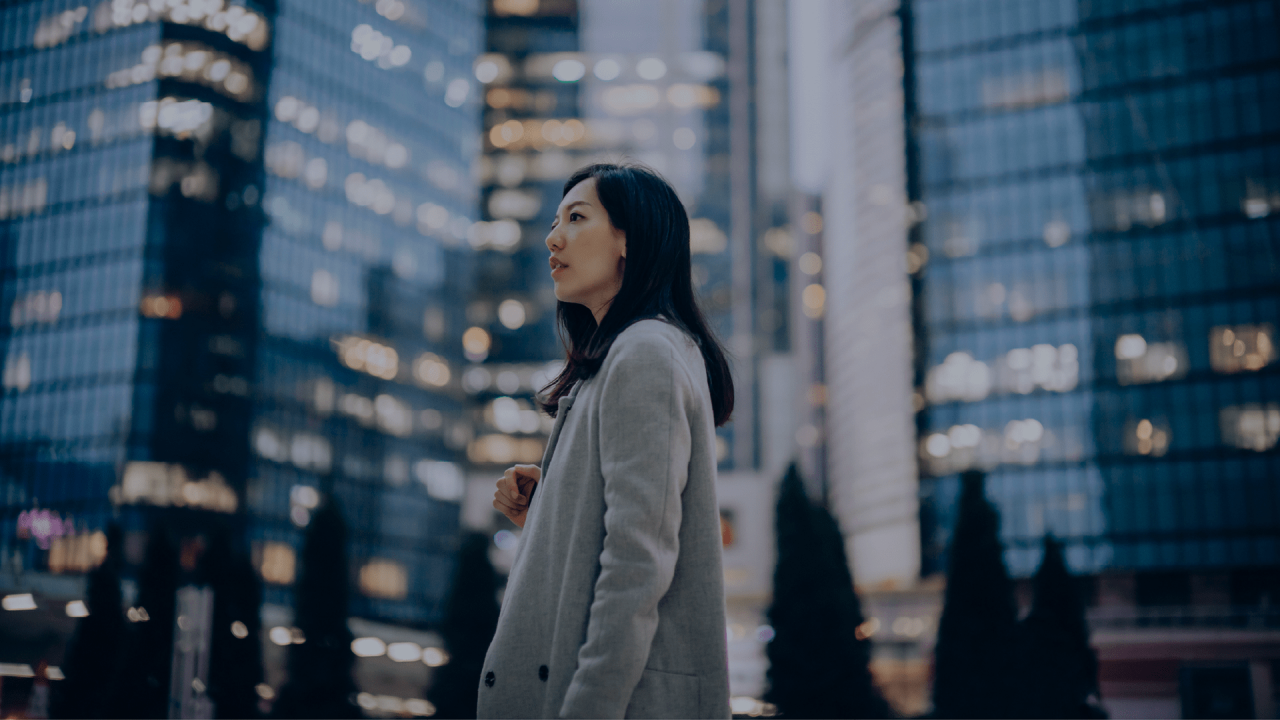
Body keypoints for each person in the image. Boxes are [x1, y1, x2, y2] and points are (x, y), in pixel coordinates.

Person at [479, 163, 735, 719]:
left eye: (576, 217)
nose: (553, 237)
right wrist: (552, 504)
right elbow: (628, 528)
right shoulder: (627, 354)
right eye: (554, 220)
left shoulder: (644, 351)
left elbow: (637, 564)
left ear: (629, 240)